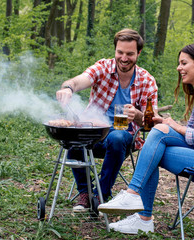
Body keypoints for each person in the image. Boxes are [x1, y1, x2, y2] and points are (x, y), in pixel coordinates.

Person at [96, 43, 194, 234]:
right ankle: (138, 207)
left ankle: (137, 205)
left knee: (154, 149)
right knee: (157, 134)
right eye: (179, 63)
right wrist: (167, 124)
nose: (179, 68)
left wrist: (175, 126)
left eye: (184, 63)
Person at [56, 28, 158, 212]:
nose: (124, 58)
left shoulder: (147, 80)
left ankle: (100, 195)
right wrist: (68, 88)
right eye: (120, 52)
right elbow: (80, 80)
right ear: (115, 51)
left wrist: (137, 115)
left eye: (130, 54)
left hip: (124, 138)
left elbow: (150, 124)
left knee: (117, 137)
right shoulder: (103, 67)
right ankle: (85, 193)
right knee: (72, 139)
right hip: (93, 132)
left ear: (138, 53)